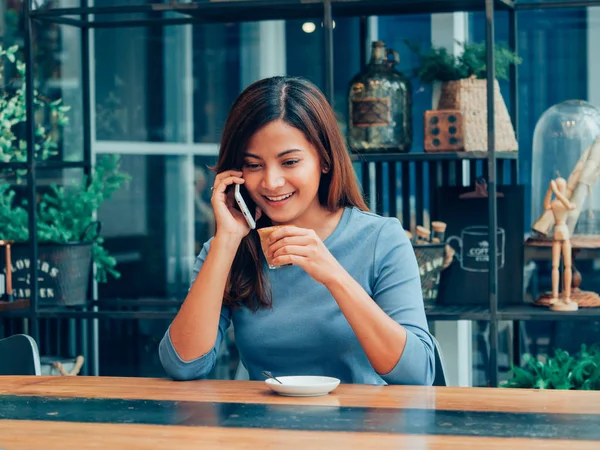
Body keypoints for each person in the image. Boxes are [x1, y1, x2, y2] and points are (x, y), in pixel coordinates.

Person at [159, 76, 435, 385]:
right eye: (253, 165)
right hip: (262, 429)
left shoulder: (381, 239)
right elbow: (183, 366)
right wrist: (227, 241)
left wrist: (332, 274)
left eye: (289, 162)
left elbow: (417, 374)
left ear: (325, 160)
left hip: (363, 429)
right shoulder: (228, 248)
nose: (271, 182)